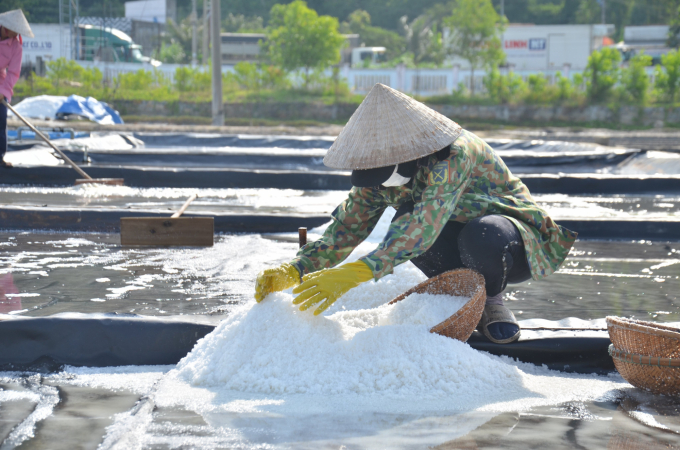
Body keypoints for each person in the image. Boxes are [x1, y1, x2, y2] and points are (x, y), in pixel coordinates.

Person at [255, 83, 576, 344]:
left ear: (405, 155)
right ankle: (464, 299)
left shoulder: (454, 156)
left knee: (479, 235)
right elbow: (347, 229)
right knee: (402, 219)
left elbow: (423, 227)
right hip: (450, 234)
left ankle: (491, 302)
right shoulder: (379, 173)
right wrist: (298, 268)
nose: (374, 185)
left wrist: (353, 274)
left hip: (511, 242)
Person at [0, 9, 33, 168]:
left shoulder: (16, 47)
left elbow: (13, 73)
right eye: (14, 30)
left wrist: (3, 92)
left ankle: (0, 157)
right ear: (5, 27)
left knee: (1, 117)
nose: (15, 34)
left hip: (1, 84)